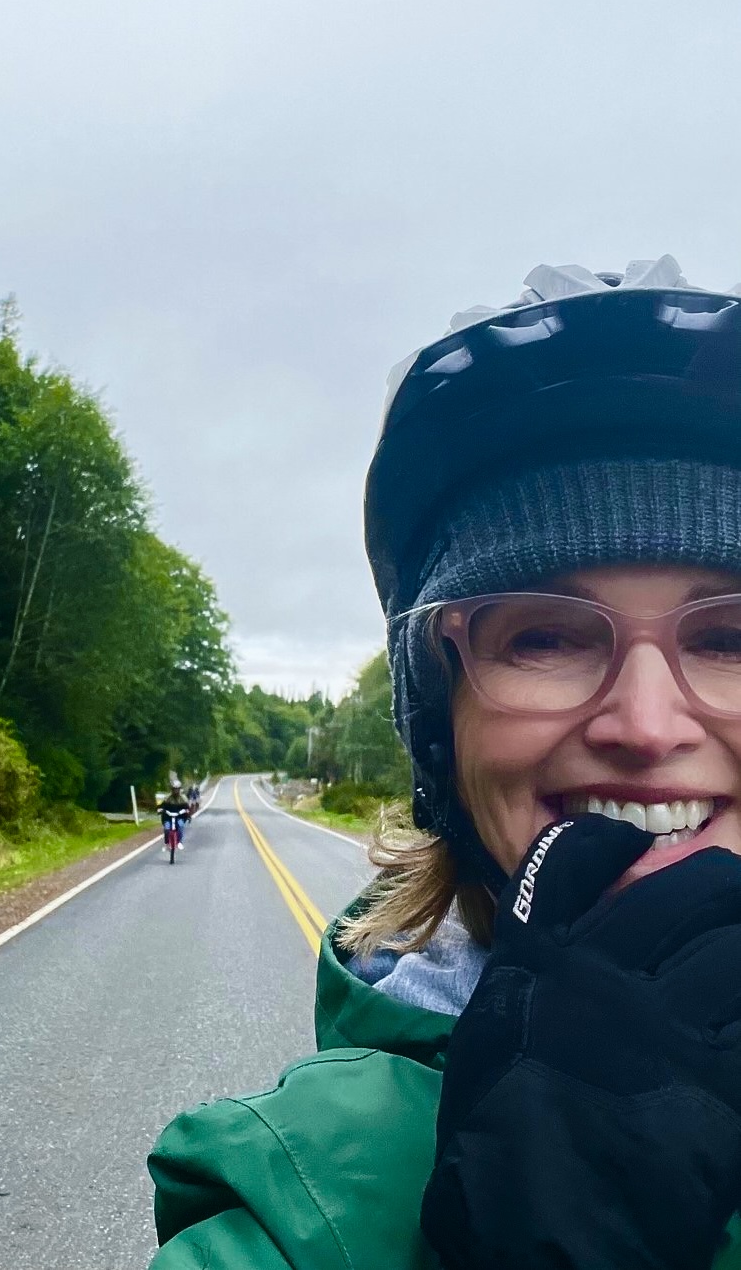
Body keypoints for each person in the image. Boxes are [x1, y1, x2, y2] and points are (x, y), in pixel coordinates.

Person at [147, 258, 741, 1268]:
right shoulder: (294, 1215)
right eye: (544, 638)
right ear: (439, 723)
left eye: (728, 639)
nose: (645, 727)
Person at [158, 783, 190, 850]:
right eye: (174, 789)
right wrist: (160, 809)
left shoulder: (183, 798)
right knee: (166, 828)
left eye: (177, 789)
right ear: (172, 790)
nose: (176, 791)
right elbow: (162, 806)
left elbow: (187, 807)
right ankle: (166, 843)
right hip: (168, 817)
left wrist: (187, 813)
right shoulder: (167, 798)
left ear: (179, 790)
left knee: (181, 826)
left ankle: (180, 842)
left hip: (179, 817)